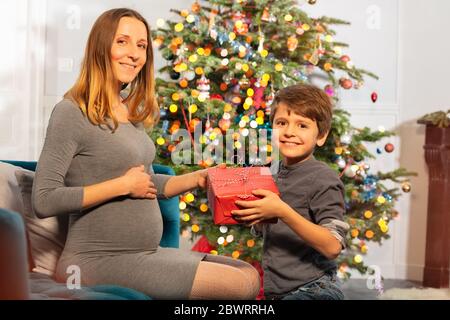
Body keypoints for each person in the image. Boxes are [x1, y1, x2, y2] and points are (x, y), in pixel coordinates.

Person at [31, 8, 260, 300]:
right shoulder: (71, 111)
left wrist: (200, 177)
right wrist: (122, 186)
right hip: (96, 260)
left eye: (141, 46)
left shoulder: (130, 113)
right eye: (123, 42)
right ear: (102, 47)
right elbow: (44, 199)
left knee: (249, 275)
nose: (135, 54)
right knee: (237, 286)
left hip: (145, 253)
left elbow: (149, 184)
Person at [231, 84, 349, 300]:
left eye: (302, 125)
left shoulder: (323, 178)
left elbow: (333, 246)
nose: (289, 132)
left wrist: (282, 211)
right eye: (281, 123)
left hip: (315, 289)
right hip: (278, 291)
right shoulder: (270, 172)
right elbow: (266, 227)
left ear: (321, 136)